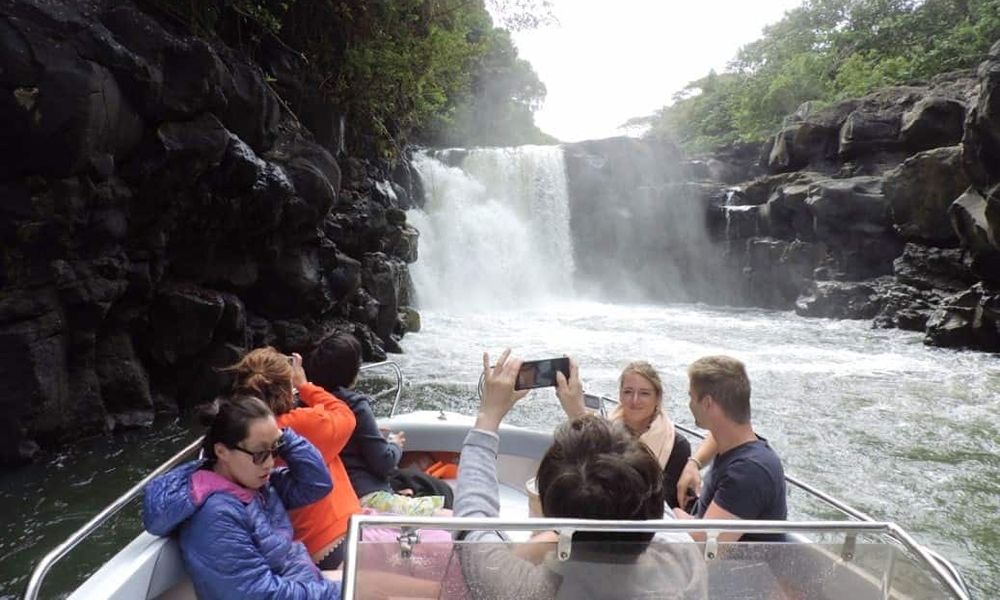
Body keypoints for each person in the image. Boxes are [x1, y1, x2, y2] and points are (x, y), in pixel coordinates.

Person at [455, 349, 706, 599]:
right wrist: (578, 411)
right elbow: (644, 489)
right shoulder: (683, 565)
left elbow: (473, 521)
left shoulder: (529, 590)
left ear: (554, 521)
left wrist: (489, 415)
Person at [142, 395, 341, 599]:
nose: (270, 463)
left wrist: (282, 437)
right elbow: (257, 594)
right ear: (222, 451)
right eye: (260, 454)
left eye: (275, 449)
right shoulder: (216, 515)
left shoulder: (256, 485)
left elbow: (316, 484)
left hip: (303, 582)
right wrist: (339, 592)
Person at [228, 347, 360, 570]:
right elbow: (345, 415)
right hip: (339, 537)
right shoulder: (305, 424)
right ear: (286, 389)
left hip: (300, 550)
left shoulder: (237, 436)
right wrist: (305, 385)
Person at [304, 333, 449, 516]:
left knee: (418, 484)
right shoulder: (355, 406)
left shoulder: (305, 405)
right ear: (352, 373)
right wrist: (395, 444)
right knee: (447, 508)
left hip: (333, 495)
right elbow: (384, 463)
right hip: (364, 495)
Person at [671, 355, 787, 542]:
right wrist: (693, 464)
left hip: (721, 559)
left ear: (707, 403)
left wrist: (673, 514)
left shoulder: (749, 471)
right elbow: (715, 437)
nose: (689, 404)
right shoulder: (734, 440)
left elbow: (705, 543)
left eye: (691, 397)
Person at [559, 360, 692, 508]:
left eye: (644, 393)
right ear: (620, 396)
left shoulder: (677, 445)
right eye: (628, 392)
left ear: (657, 398)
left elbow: (667, 501)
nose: (635, 400)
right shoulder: (604, 433)